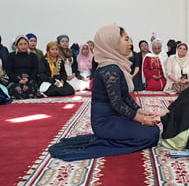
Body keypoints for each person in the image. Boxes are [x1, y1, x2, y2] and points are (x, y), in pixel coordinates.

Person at [49, 24, 159, 161]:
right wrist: (141, 119)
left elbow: (124, 95)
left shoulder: (114, 65)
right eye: (126, 39)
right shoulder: (110, 69)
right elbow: (117, 102)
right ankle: (106, 140)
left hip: (115, 116)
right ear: (113, 42)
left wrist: (141, 111)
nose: (130, 43)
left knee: (152, 130)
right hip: (106, 122)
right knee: (151, 134)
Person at [6, 35, 41, 99]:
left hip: (30, 79)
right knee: (15, 89)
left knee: (30, 89)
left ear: (28, 45)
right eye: (21, 44)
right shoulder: (11, 56)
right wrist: (18, 80)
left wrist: (28, 79)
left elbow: (35, 70)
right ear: (16, 46)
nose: (23, 46)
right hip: (15, 80)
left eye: (25, 44)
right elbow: (8, 71)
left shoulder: (33, 56)